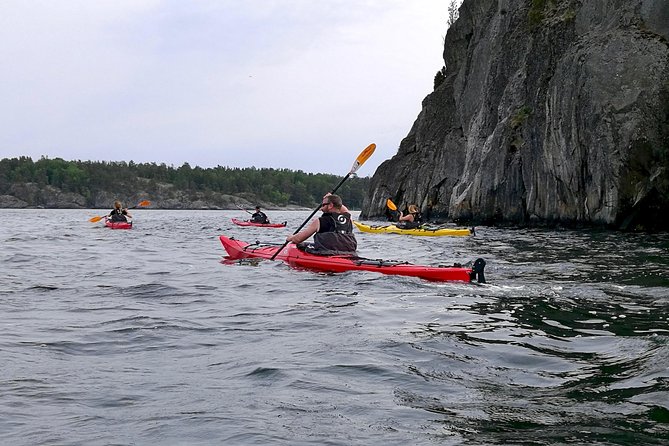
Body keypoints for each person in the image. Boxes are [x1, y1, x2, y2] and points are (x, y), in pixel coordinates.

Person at [286, 193, 357, 253]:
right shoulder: (348, 219)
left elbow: (298, 239)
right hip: (348, 253)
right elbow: (343, 209)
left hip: (326, 253)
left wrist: (291, 238)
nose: (321, 208)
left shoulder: (319, 221)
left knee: (298, 244)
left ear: (330, 205)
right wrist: (333, 199)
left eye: (323, 205)